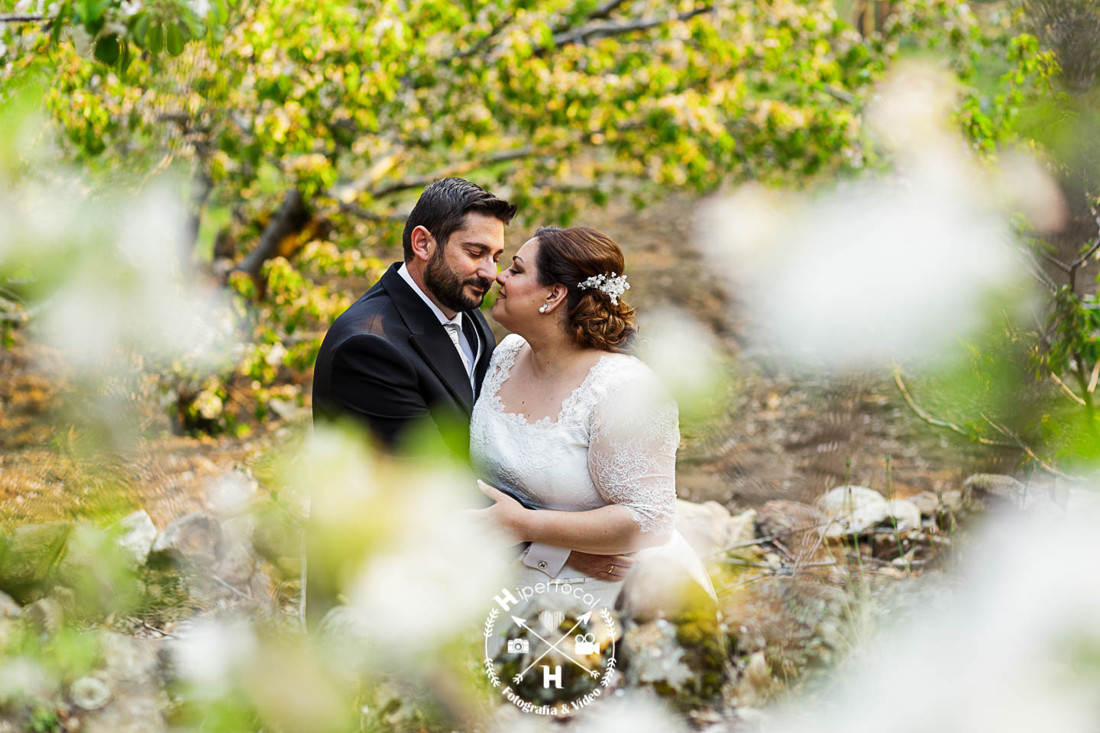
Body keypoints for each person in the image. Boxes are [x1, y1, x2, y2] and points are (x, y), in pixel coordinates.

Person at [309, 179, 633, 627]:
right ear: (423, 243)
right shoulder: (369, 345)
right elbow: (430, 485)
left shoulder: (469, 316)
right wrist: (565, 550)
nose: (490, 273)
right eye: (475, 252)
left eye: (498, 258)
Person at [470, 226, 714, 623]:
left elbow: (650, 520)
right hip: (511, 582)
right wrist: (543, 547)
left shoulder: (624, 391)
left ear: (553, 295)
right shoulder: (507, 354)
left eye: (515, 270)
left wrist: (525, 526)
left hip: (611, 600)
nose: (499, 276)